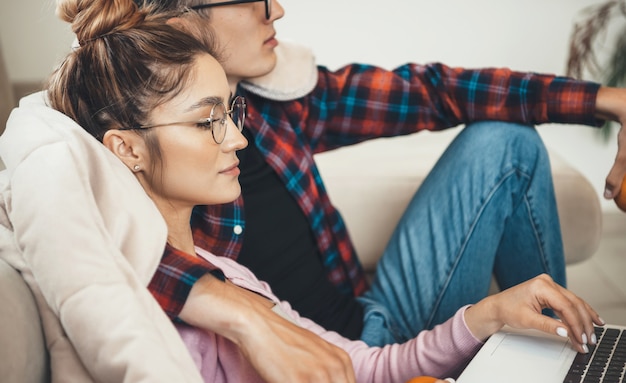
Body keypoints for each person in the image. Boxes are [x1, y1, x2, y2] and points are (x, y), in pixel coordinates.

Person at [44, 0, 606, 382]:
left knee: (505, 145)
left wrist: (610, 101)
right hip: (332, 352)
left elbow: (431, 91)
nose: (278, 10)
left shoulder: (271, 105)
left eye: (229, 115)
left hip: (368, 333)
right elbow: (70, 233)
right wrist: (232, 312)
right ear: (184, 15)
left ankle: (566, 352)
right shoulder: (119, 152)